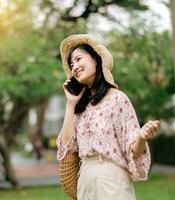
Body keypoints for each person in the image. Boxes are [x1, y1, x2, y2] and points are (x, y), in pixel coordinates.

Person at [56, 34, 160, 200]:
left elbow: (133, 151)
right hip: (85, 180)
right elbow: (67, 147)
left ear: (96, 60)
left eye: (78, 59)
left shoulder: (118, 99)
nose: (74, 66)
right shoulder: (80, 107)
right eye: (71, 64)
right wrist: (70, 104)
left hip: (111, 179)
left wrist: (141, 137)